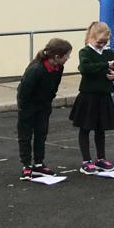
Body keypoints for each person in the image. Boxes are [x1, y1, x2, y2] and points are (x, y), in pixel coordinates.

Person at [69, 22, 114, 175]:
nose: (102, 45)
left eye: (105, 42)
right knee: (85, 128)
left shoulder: (109, 53)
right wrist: (105, 64)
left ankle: (101, 158)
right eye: (99, 42)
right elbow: (85, 68)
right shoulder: (85, 52)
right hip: (88, 96)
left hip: (104, 96)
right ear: (90, 38)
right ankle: (86, 161)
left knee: (101, 128)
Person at [16, 38, 72, 180]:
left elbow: (54, 87)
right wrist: (24, 109)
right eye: (67, 56)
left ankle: (39, 164)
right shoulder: (36, 70)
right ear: (57, 57)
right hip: (28, 107)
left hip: (44, 106)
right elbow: (23, 92)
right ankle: (26, 165)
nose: (68, 58)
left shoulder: (59, 68)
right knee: (25, 136)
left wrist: (48, 102)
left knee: (41, 134)